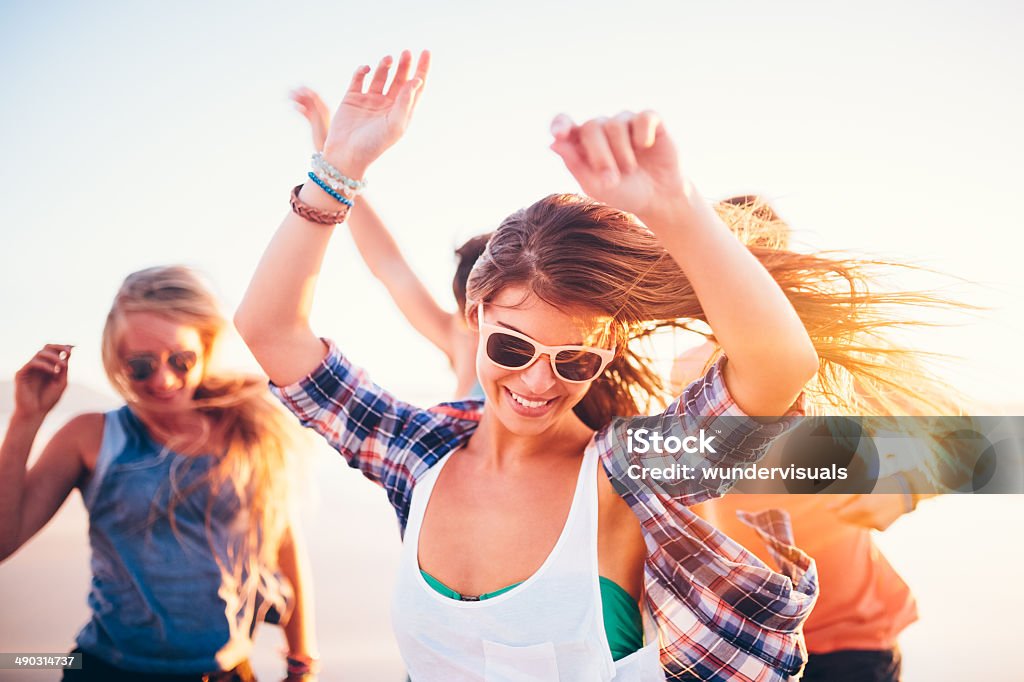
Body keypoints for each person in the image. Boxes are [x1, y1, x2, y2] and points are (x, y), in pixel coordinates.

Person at [235, 50, 935, 681]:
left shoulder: (626, 474)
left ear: (606, 356)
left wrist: (678, 209)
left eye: (575, 361)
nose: (540, 383)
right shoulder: (416, 454)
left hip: (859, 649)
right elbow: (268, 330)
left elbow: (779, 366)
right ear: (474, 319)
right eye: (512, 348)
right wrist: (339, 168)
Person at [674, 196, 957, 682]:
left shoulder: (837, 353)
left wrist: (903, 492)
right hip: (745, 637)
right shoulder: (684, 368)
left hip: (847, 635)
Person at [0, 266, 319, 681]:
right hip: (106, 669)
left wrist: (302, 661)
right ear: (117, 360)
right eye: (141, 366)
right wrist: (26, 418)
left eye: (181, 360)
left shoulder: (248, 432)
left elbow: (284, 544)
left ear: (205, 348)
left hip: (226, 671)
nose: (164, 380)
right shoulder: (92, 436)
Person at [291, 86, 490, 399]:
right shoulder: (463, 339)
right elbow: (388, 265)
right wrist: (338, 168)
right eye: (474, 317)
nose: (482, 331)